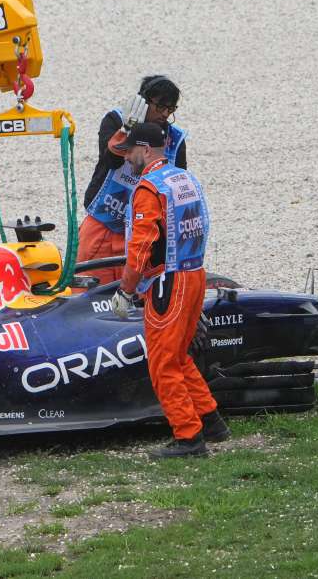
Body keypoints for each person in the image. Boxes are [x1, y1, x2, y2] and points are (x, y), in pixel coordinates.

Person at [108, 122, 229, 458]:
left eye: (130, 151)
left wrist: (126, 290)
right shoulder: (185, 179)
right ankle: (211, 421)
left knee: (163, 363)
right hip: (195, 275)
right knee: (179, 356)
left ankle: (188, 437)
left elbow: (140, 247)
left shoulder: (149, 188)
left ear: (145, 150)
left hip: (168, 283)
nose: (127, 158)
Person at [78, 75, 187, 283]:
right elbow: (111, 160)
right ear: (144, 101)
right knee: (84, 291)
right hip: (102, 223)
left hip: (144, 232)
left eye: (171, 109)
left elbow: (177, 190)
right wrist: (126, 130)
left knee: (136, 301)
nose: (165, 114)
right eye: (160, 107)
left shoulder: (176, 139)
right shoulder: (115, 120)